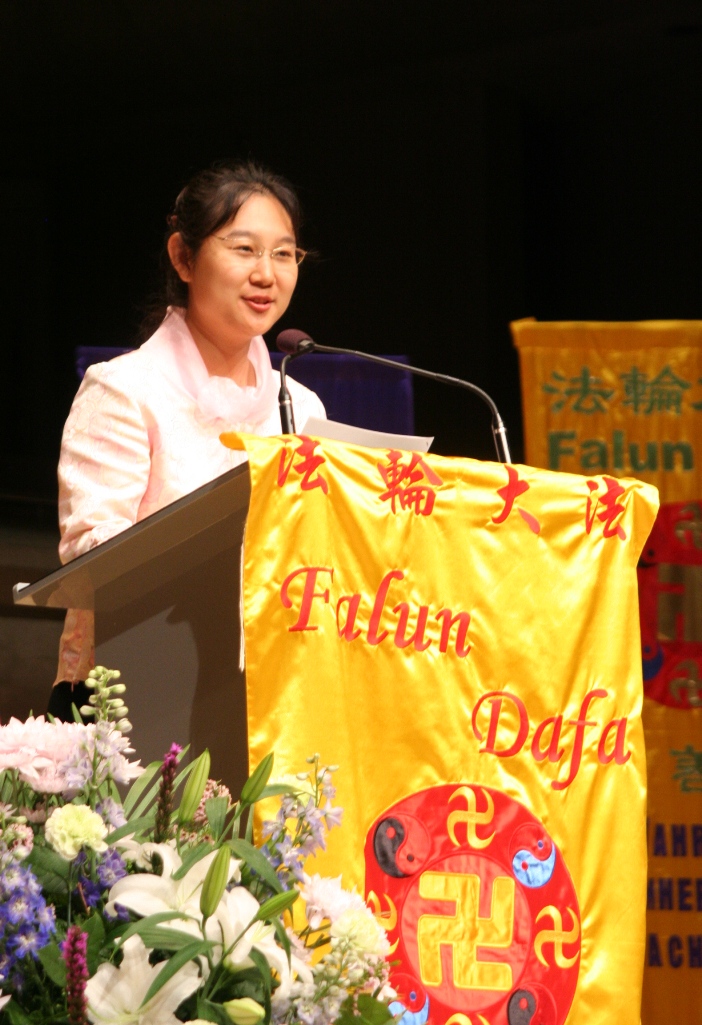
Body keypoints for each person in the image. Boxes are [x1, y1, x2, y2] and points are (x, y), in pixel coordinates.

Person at [49, 161, 325, 718]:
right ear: (183, 257)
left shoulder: (301, 408)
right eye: (244, 249)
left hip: (273, 694)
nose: (266, 274)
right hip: (133, 687)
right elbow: (92, 551)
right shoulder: (125, 389)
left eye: (283, 253)